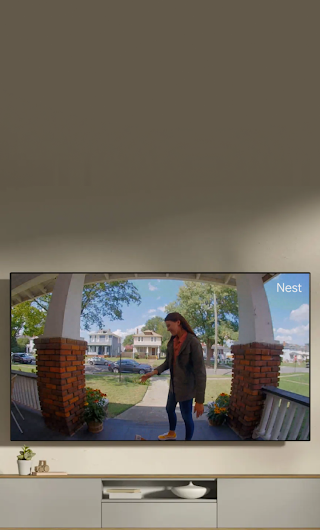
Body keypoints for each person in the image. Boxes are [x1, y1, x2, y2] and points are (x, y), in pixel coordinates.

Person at [140, 312, 207, 441]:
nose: (168, 329)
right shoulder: (172, 342)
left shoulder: (193, 342)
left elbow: (200, 372)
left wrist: (199, 401)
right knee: (169, 409)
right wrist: (152, 373)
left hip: (187, 390)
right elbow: (167, 363)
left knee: (187, 417)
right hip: (174, 387)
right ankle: (172, 433)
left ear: (178, 322)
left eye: (169, 325)